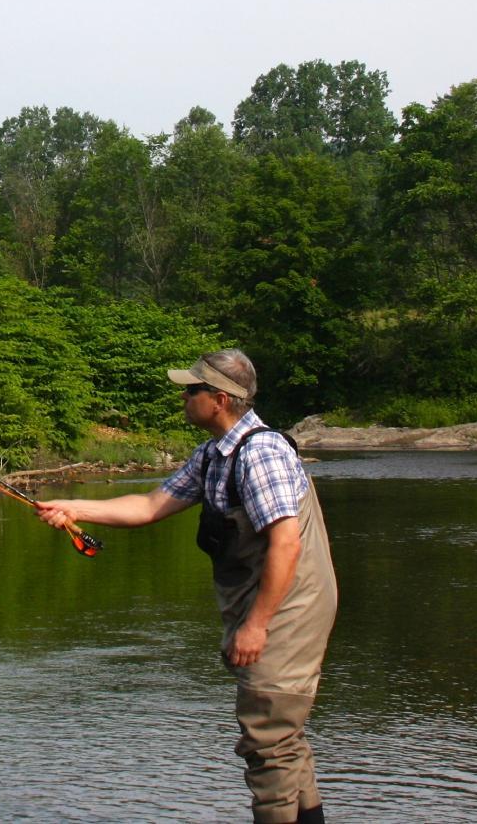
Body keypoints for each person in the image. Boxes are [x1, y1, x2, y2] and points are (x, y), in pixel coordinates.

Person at [36, 349, 337, 824]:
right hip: (264, 601)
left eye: (192, 390)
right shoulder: (214, 454)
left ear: (219, 399)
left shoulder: (261, 453)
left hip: (286, 608)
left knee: (268, 739)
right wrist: (74, 508)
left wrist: (256, 626)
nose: (184, 396)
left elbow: (286, 547)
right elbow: (151, 505)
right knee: (284, 738)